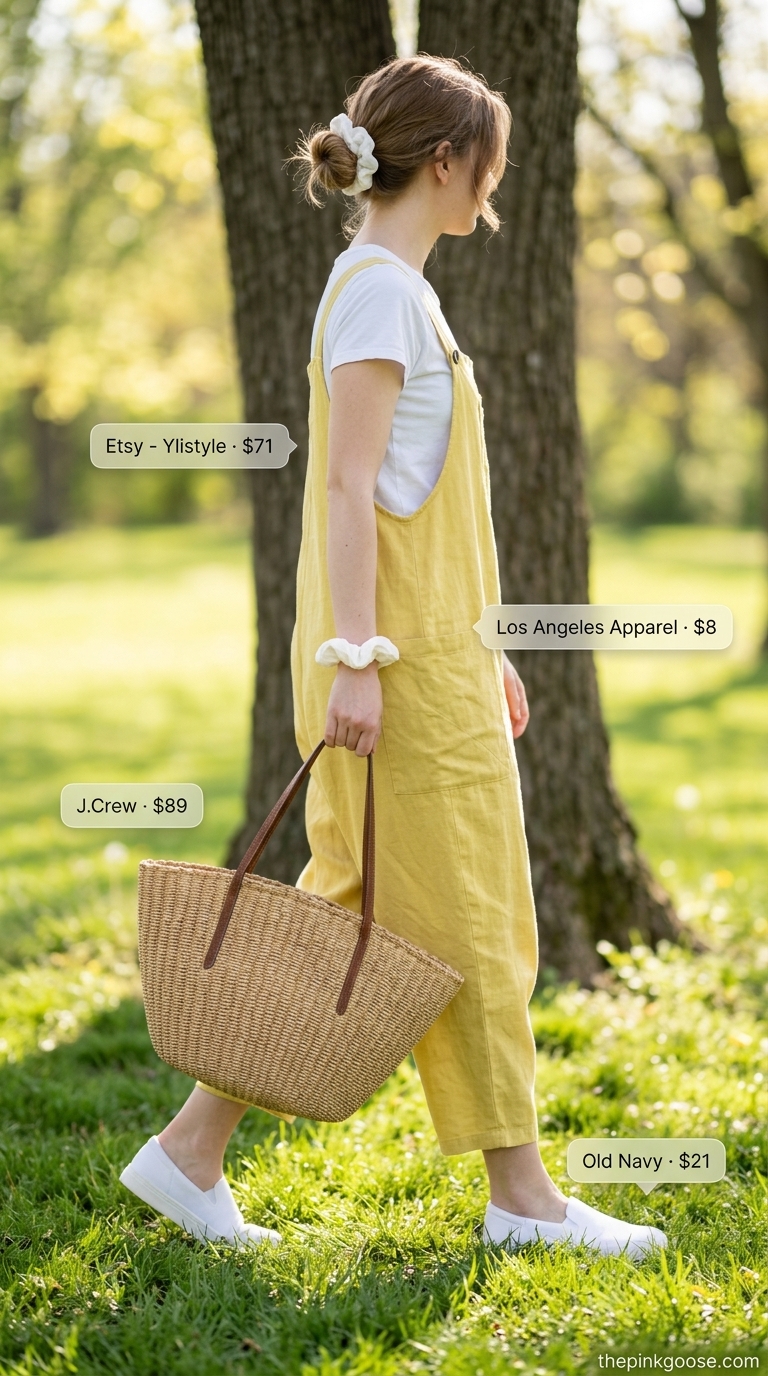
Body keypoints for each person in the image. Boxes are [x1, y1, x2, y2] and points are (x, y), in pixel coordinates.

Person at [120, 54, 667, 1260]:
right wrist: (359, 656)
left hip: (433, 655)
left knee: (359, 900)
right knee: (472, 912)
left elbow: (421, 497)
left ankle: (187, 1152)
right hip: (396, 663)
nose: (497, 187)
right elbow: (348, 486)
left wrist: (489, 646)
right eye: (491, 165)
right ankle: (522, 1200)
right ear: (443, 161)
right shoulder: (376, 292)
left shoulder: (395, 289)